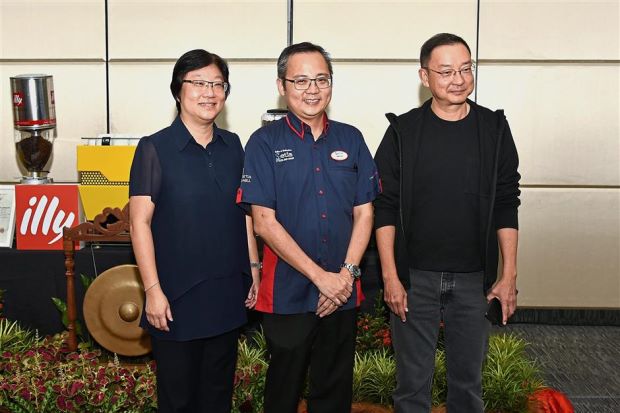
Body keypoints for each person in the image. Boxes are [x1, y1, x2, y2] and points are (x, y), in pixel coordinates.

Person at [373, 33, 521, 412]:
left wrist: (508, 275)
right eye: (446, 71)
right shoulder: (403, 132)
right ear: (424, 77)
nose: (458, 79)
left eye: (465, 69)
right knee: (411, 388)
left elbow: (507, 203)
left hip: (474, 280)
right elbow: (384, 207)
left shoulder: (494, 129)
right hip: (414, 279)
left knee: (468, 388)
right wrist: (391, 277)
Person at [238, 42, 380, 413]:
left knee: (334, 391)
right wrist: (322, 279)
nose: (312, 89)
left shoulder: (351, 138)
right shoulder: (264, 143)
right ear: (282, 86)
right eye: (300, 80)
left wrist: (344, 277)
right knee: (283, 392)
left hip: (342, 291)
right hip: (286, 293)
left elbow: (365, 213)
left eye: (321, 79)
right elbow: (264, 223)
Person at [129, 49, 259, 413]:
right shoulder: (154, 148)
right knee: (178, 399)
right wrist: (153, 291)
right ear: (178, 90)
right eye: (199, 83)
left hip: (226, 292)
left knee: (218, 396)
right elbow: (139, 224)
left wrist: (254, 269)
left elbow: (245, 214)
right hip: (176, 297)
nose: (209, 93)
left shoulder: (233, 145)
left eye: (218, 84)